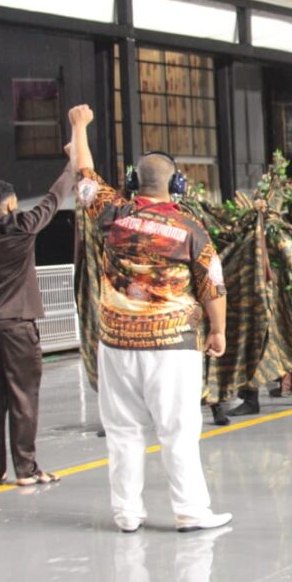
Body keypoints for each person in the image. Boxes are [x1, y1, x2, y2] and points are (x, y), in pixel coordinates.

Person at [69, 104, 231, 533]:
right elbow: (212, 285)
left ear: (131, 182)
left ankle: (127, 514)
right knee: (178, 431)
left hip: (116, 345)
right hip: (173, 346)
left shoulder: (112, 216)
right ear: (177, 185)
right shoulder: (191, 228)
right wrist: (218, 330)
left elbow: (84, 176)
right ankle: (191, 512)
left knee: (123, 432)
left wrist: (79, 127)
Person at [0, 147, 76, 487]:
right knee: (23, 395)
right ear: (10, 204)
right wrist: (73, 161)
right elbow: (55, 197)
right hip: (17, 324)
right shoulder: (23, 226)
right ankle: (26, 469)